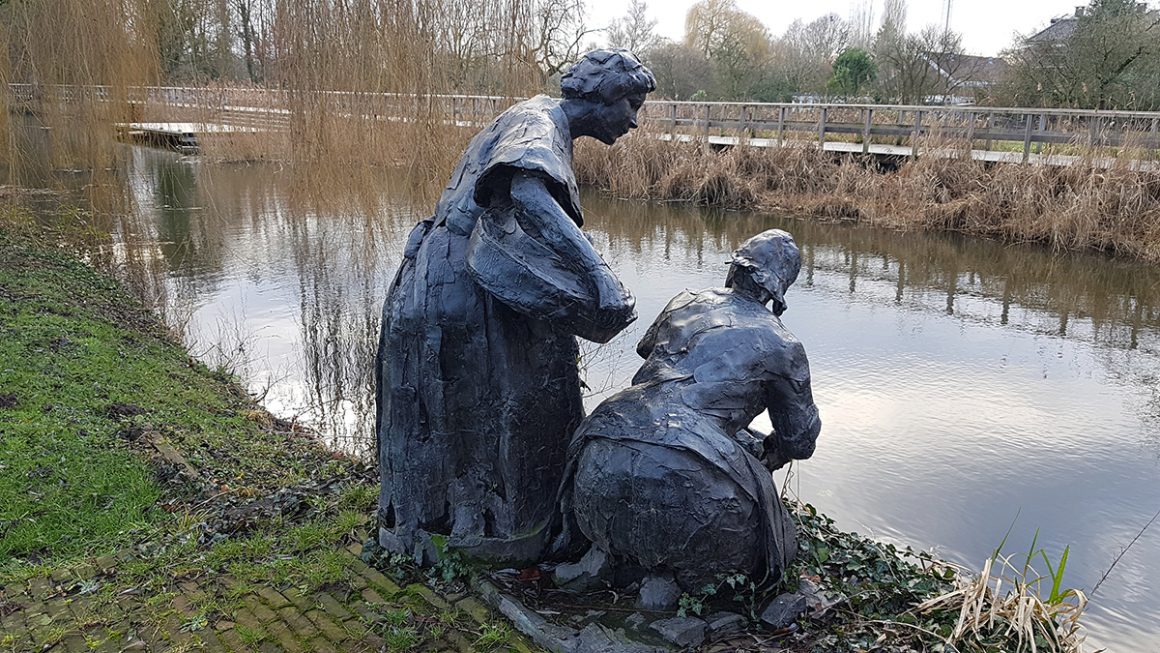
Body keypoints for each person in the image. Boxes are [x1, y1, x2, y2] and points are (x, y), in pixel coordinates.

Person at [376, 50, 656, 564]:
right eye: (632, 104)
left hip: (461, 280)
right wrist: (597, 272)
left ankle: (473, 525)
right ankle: (494, 532)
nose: (634, 120)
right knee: (493, 401)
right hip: (462, 286)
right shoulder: (538, 120)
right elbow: (528, 192)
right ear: (605, 95)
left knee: (476, 403)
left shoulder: (542, 119)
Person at [554, 229, 822, 591]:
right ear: (779, 289)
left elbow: (648, 356)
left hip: (604, 442)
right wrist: (771, 450)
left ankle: (603, 554)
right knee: (777, 542)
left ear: (734, 269)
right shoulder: (784, 345)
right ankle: (665, 583)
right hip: (686, 475)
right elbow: (800, 440)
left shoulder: (684, 301)